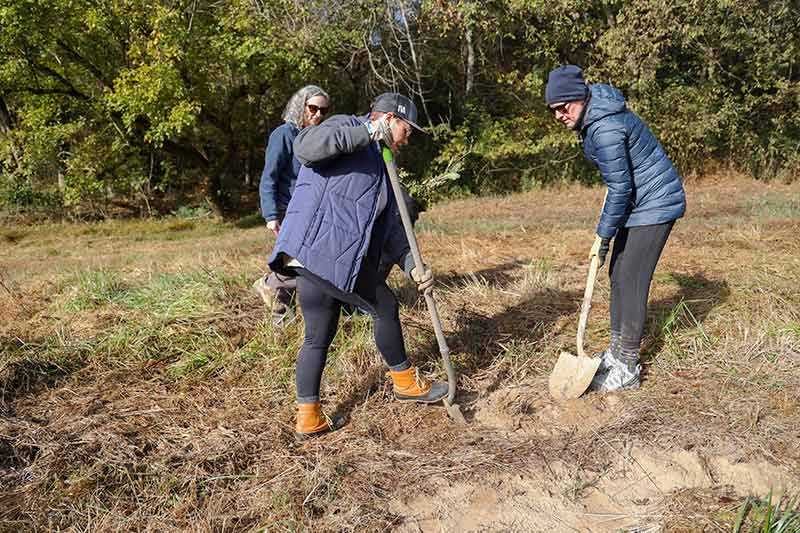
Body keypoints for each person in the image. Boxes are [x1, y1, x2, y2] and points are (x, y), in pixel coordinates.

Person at [268, 92, 447, 438]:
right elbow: (306, 147)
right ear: (390, 119)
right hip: (323, 251)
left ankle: (308, 416)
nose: (408, 139)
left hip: (311, 259)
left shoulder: (383, 169)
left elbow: (395, 230)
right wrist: (366, 130)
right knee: (385, 306)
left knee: (318, 334)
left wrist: (413, 266)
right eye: (407, 130)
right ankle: (405, 382)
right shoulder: (346, 127)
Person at [545, 65, 686, 392]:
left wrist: (603, 236)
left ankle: (627, 367)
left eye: (563, 107)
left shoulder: (604, 128)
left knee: (631, 278)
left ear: (580, 98)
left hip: (656, 204)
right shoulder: (593, 118)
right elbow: (619, 180)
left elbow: (621, 188)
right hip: (640, 203)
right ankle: (616, 351)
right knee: (618, 274)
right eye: (553, 111)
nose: (559, 115)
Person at [252, 85, 331, 326]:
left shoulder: (320, 137)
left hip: (314, 211)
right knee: (297, 264)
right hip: (289, 211)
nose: (318, 114)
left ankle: (272, 288)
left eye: (323, 110)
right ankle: (279, 311)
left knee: (301, 263)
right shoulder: (284, 134)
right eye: (313, 108)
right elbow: (269, 177)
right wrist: (271, 215)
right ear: (301, 106)